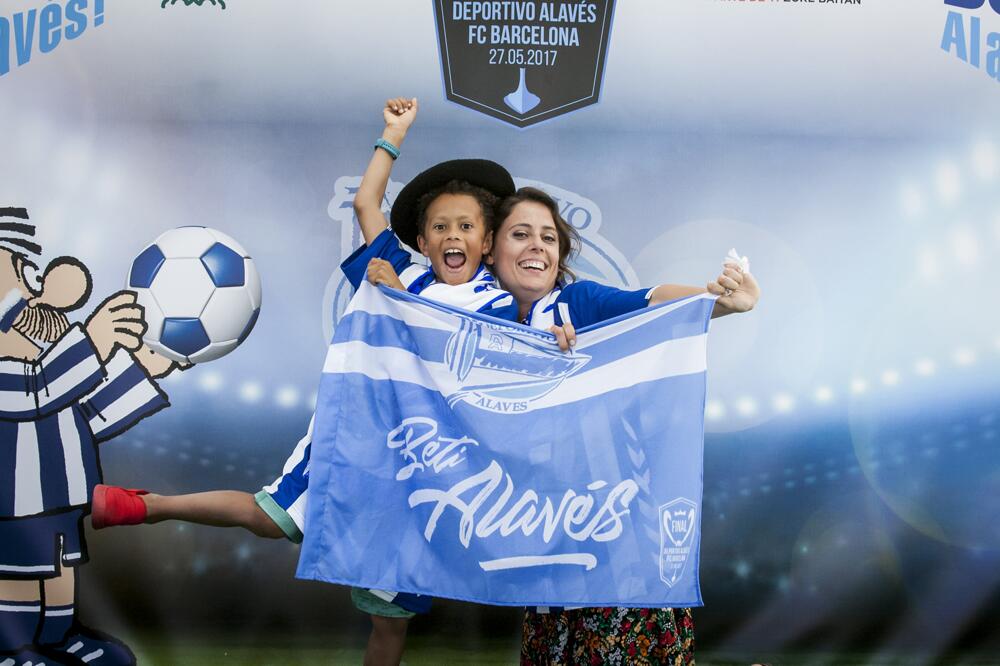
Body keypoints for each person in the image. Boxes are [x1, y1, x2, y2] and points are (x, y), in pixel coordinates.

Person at [90, 98, 522, 666]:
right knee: (274, 518)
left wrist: (394, 298)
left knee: (390, 626)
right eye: (439, 225)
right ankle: (150, 506)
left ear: (487, 242)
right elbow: (368, 202)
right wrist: (392, 135)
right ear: (422, 240)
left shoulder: (497, 301)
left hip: (426, 467)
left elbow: (470, 370)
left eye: (465, 225)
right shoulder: (407, 269)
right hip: (361, 441)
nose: (452, 235)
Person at [483, 187, 760, 665]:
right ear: (490, 247)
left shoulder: (577, 305)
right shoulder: (475, 326)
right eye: (521, 234)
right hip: (547, 551)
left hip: (617, 542)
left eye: (548, 237)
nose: (537, 246)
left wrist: (715, 302)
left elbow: (651, 300)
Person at [0, 206, 180, 666]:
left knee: (59, 568)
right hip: (11, 500)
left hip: (55, 496)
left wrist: (147, 366)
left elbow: (88, 412)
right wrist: (95, 340)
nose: (28, 293)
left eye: (24, 274)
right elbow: (34, 390)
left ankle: (58, 639)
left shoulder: (47, 359)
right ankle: (12, 649)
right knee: (19, 571)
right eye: (12, 274)